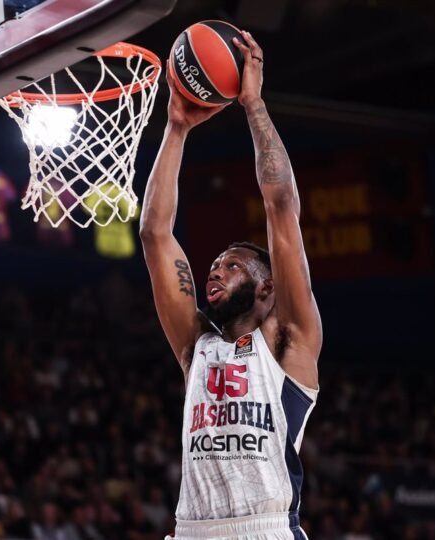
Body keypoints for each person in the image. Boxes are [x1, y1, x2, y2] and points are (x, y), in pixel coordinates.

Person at [140, 30, 322, 540]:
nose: (215, 269)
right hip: (192, 529)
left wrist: (254, 106)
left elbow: (281, 208)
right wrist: (176, 128)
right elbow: (155, 234)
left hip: (263, 529)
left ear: (267, 289)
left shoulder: (289, 341)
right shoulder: (195, 346)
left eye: (233, 264)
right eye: (215, 262)